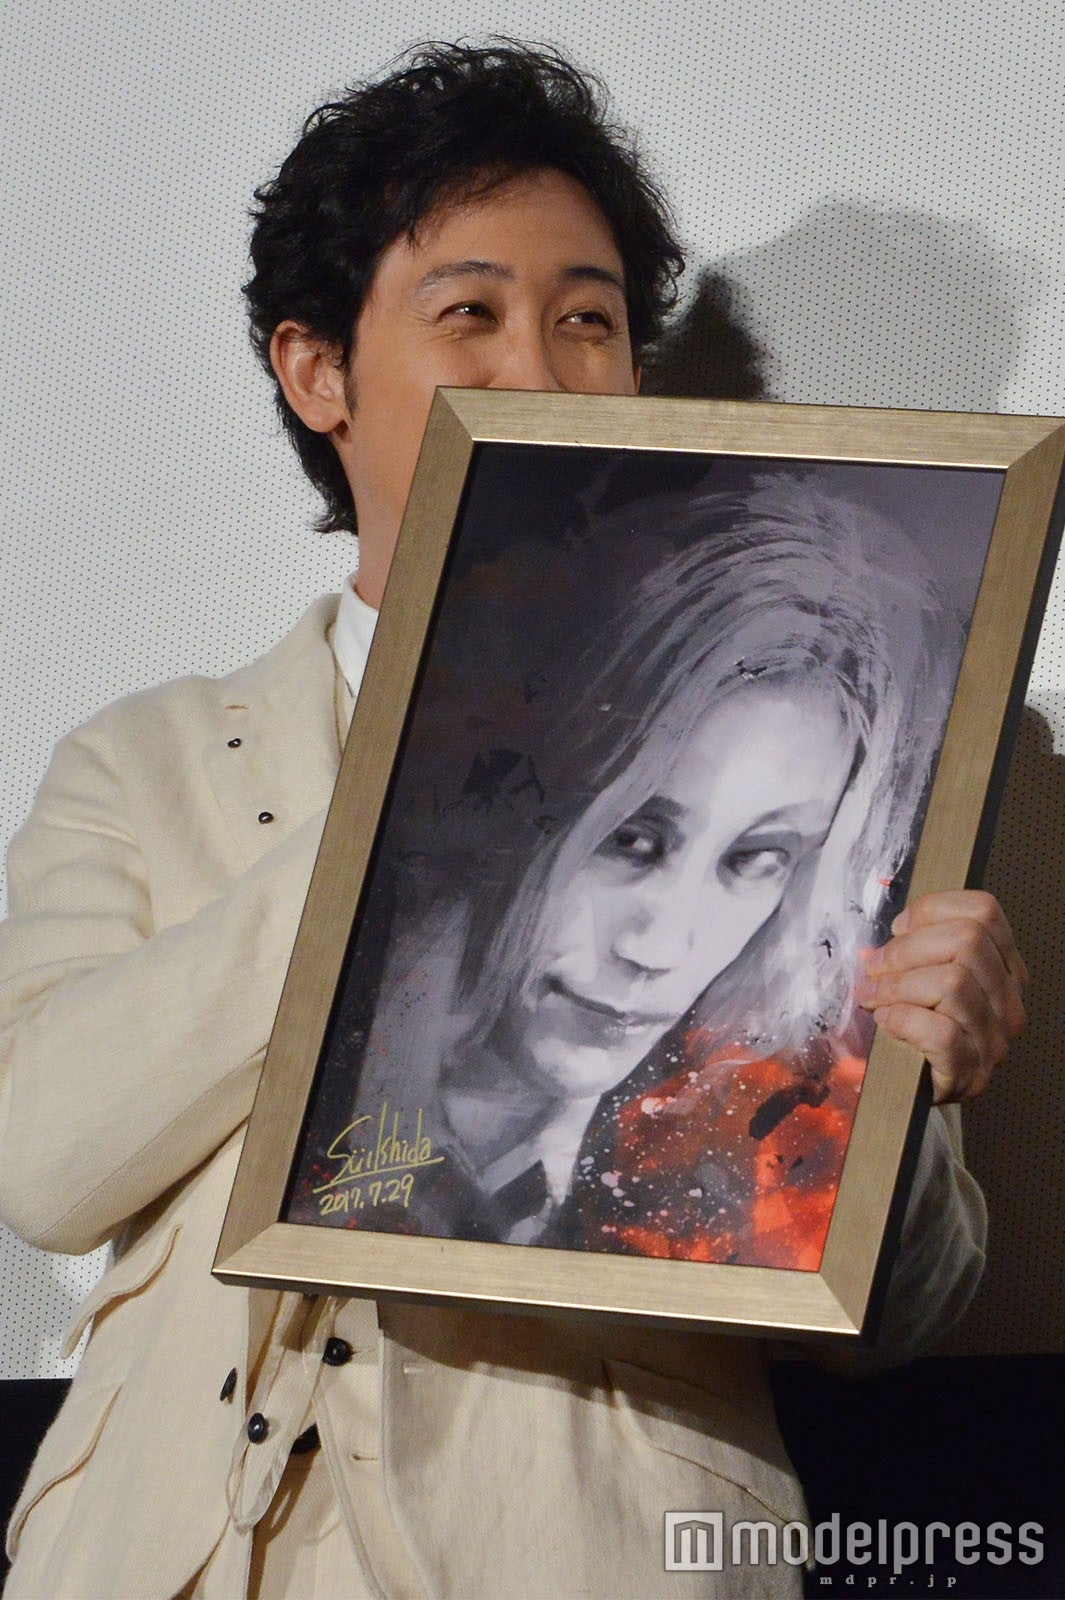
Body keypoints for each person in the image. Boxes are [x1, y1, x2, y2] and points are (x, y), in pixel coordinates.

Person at [0, 42, 1024, 1600]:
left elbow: (893, 1320)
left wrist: (912, 1083)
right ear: (318, 372)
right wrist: (417, 797)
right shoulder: (145, 763)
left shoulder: (800, 740)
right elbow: (41, 1163)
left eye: (587, 321)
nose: (540, 373)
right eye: (470, 313)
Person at [288, 470, 963, 1267]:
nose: (657, 948)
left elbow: (906, 1311)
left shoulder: (770, 1117)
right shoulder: (319, 1018)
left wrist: (892, 1109)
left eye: (755, 858)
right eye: (630, 838)